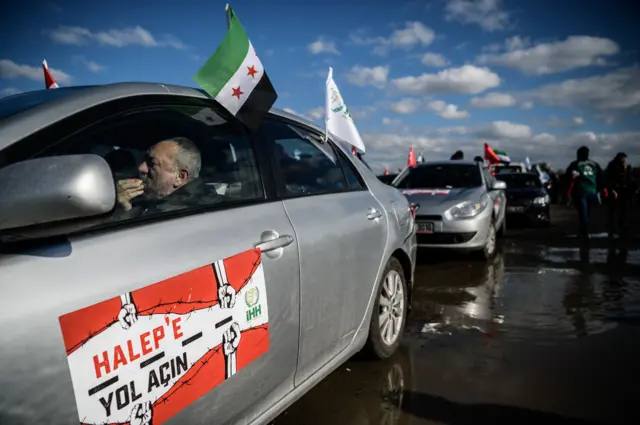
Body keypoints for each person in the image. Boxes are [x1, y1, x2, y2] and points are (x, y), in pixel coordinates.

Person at [115, 137, 219, 217]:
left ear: (180, 177)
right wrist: (126, 208)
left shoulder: (177, 214)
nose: (141, 168)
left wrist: (121, 214)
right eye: (144, 160)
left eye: (152, 163)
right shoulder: (210, 202)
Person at [564, 146, 604, 240]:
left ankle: (585, 232)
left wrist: (567, 192)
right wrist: (600, 190)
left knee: (583, 212)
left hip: (581, 191)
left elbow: (568, 178)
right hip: (592, 190)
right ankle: (583, 230)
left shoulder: (575, 164)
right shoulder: (594, 164)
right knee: (587, 212)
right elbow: (601, 177)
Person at [605, 152, 636, 239]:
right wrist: (611, 189)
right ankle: (611, 225)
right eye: (623, 158)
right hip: (614, 188)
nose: (624, 160)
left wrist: (632, 187)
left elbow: (630, 177)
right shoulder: (612, 165)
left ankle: (622, 223)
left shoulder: (627, 166)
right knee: (613, 207)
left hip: (624, 189)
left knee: (624, 207)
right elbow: (608, 177)